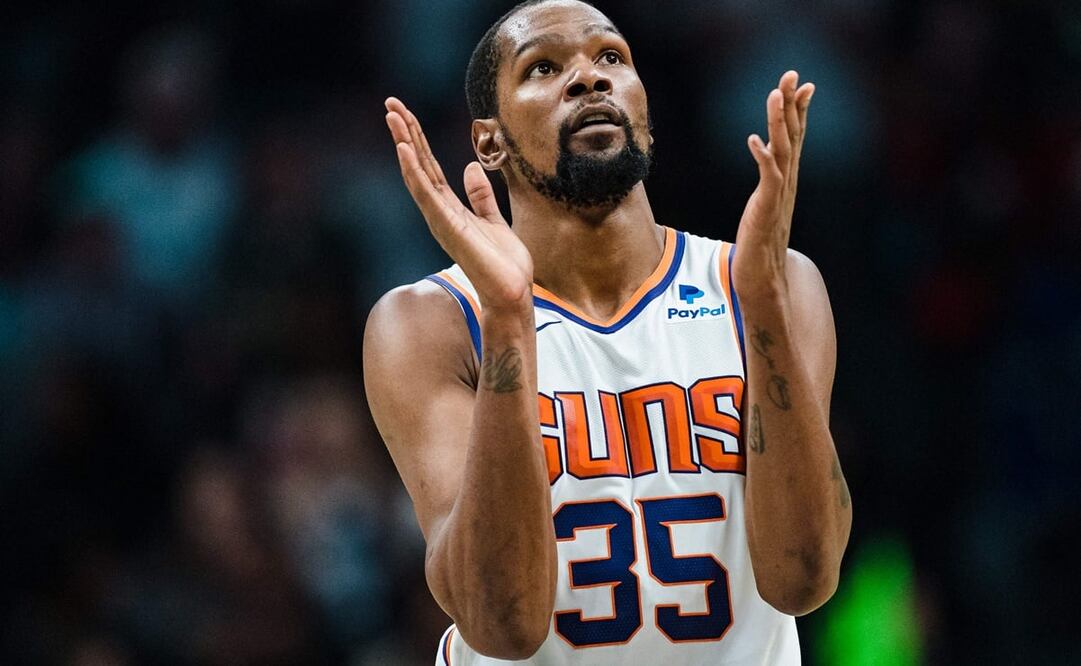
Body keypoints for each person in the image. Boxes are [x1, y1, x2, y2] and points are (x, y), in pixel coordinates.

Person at [363, 1, 852, 663]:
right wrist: (509, 324)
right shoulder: (432, 322)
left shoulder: (772, 285)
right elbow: (500, 622)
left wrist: (761, 308)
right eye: (542, 67)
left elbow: (803, 579)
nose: (589, 79)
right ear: (489, 141)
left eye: (611, 58)